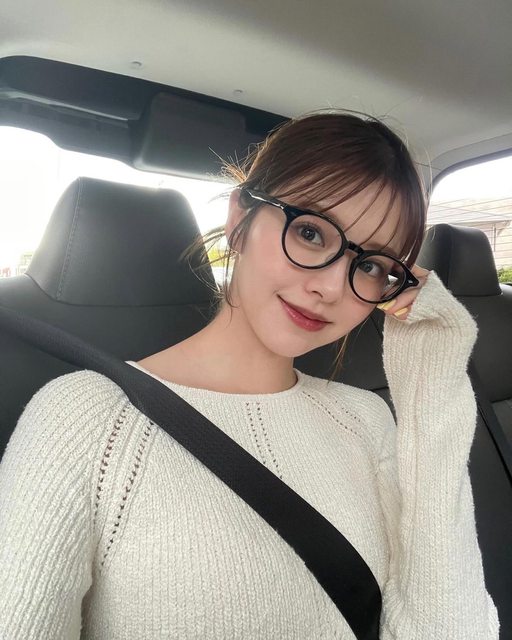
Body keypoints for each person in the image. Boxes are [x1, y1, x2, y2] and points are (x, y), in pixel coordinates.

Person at [0, 111, 500, 639]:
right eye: (310, 232)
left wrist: (432, 374)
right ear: (240, 219)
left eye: (372, 265)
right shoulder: (85, 422)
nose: (332, 287)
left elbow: (445, 627)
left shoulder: (367, 420)